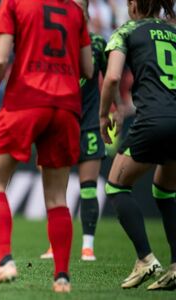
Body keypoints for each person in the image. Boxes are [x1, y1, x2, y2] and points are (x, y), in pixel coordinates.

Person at [0, 0, 93, 293]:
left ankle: (3, 260)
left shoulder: (14, 3)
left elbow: (0, 60)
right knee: (57, 198)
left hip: (25, 100)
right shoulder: (76, 11)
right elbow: (89, 68)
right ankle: (62, 278)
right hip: (66, 108)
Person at [100, 0, 176, 290]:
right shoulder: (174, 33)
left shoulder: (127, 30)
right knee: (165, 190)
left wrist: (104, 112)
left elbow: (113, 77)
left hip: (153, 119)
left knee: (116, 186)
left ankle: (146, 258)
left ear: (133, 5)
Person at [40, 0, 107, 262]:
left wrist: (112, 110)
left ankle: (87, 245)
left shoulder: (99, 44)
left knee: (88, 187)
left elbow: (108, 79)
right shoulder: (55, 41)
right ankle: (54, 244)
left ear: (86, 11)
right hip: (59, 123)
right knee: (58, 190)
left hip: (88, 123)